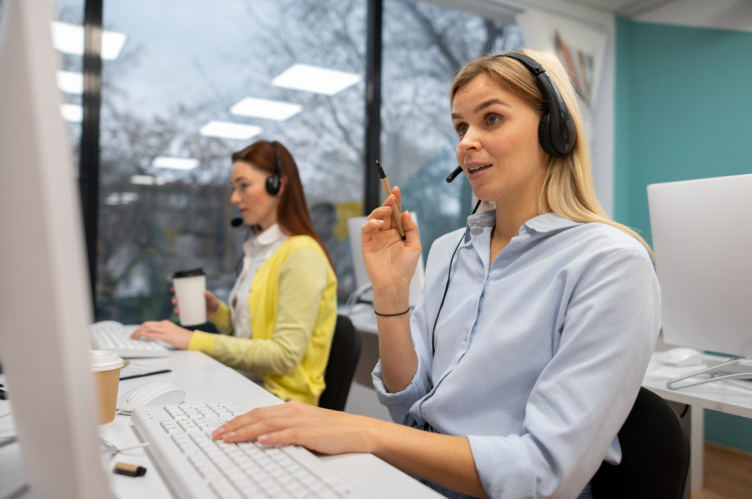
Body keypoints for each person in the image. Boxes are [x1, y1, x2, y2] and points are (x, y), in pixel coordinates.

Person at [209, 49, 660, 499]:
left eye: (491, 119)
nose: (465, 141)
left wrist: (363, 433)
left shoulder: (610, 263)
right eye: (461, 126)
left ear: (555, 129)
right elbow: (409, 406)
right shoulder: (451, 250)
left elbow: (542, 474)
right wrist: (390, 295)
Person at [132, 140, 338, 406]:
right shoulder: (261, 250)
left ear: (278, 185)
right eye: (234, 187)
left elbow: (283, 356)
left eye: (244, 185)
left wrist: (192, 339)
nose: (234, 197)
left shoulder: (301, 255)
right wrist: (217, 311)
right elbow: (249, 339)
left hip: (279, 400)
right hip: (248, 384)